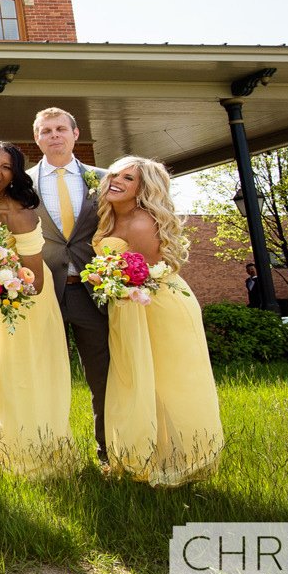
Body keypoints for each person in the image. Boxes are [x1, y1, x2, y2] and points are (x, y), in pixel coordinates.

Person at [95, 157, 223, 487]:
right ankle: (141, 455)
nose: (116, 181)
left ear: (143, 189)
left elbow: (143, 276)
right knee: (138, 380)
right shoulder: (109, 217)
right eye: (113, 174)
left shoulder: (140, 224)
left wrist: (106, 278)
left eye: (128, 178)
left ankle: (177, 460)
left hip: (158, 306)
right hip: (130, 306)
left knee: (165, 381)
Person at [0, 140, 75, 477]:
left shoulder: (19, 213)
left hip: (23, 307)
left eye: (5, 167)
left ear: (14, 177)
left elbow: (36, 281)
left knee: (22, 378)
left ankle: (32, 457)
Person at [31, 107, 111, 462]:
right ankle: (50, 451)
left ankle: (109, 450)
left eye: (60, 128)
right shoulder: (24, 182)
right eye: (46, 131)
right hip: (44, 291)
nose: (54, 135)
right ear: (37, 138)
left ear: (75, 134)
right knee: (44, 375)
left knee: (104, 374)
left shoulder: (104, 178)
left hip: (93, 291)